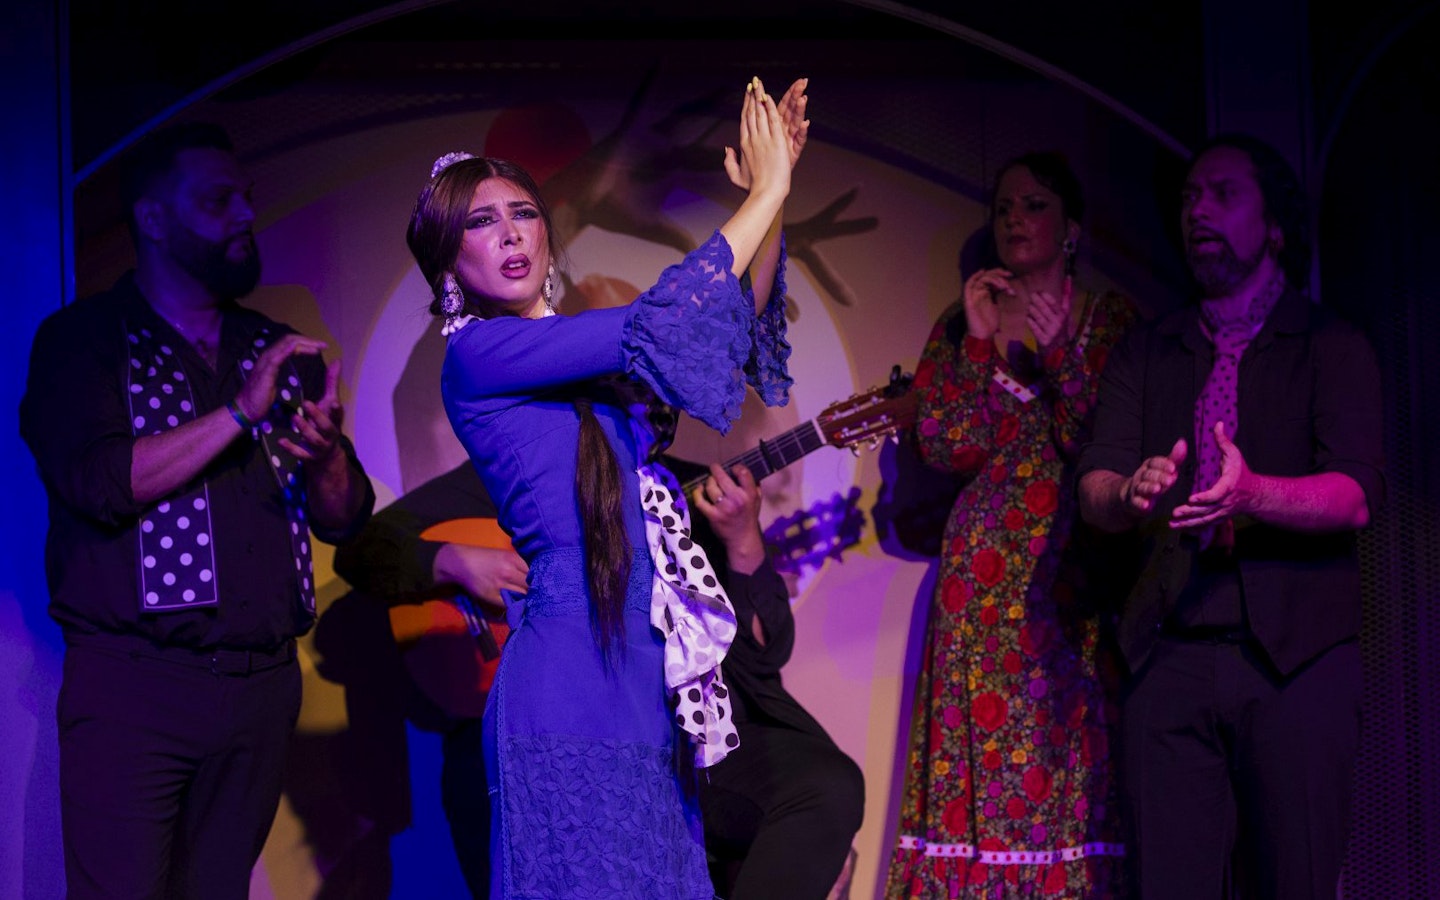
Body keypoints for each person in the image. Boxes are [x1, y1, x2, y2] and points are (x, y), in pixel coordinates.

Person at [403, 75, 808, 898]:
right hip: (563, 687)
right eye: (482, 222)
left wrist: (775, 203)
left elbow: (717, 329)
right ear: (451, 262)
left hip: (642, 683)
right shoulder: (479, 356)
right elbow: (663, 318)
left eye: (523, 213)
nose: (512, 234)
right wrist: (762, 192)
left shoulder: (589, 364)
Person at [18, 121, 375, 899]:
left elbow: (344, 520)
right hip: (135, 689)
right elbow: (99, 482)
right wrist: (240, 415)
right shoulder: (84, 341)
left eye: (244, 197)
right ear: (153, 219)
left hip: (258, 686)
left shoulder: (274, 346)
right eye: (218, 201)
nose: (245, 214)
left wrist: (328, 457)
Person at [333, 451, 865, 899]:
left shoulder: (683, 488)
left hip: (670, 741)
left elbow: (761, 661)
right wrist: (454, 562)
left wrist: (743, 540)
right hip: (542, 736)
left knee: (824, 788)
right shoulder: (525, 469)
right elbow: (364, 551)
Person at [1075, 134, 1384, 899]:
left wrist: (1253, 494)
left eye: (1222, 194)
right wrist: (1129, 492)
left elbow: (1352, 496)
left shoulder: (1330, 345)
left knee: (1296, 882)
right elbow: (1094, 485)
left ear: (1274, 225)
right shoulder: (1150, 350)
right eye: (1188, 199)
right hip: (1170, 653)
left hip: (1297, 660)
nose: (1197, 211)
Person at [885, 151, 1136, 898]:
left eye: (1033, 205)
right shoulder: (964, 318)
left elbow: (1098, 438)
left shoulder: (1109, 319)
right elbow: (947, 442)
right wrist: (977, 339)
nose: (1016, 220)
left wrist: (1058, 353)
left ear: (1071, 228)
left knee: (1064, 763)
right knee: (974, 767)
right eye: (1003, 209)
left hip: (1066, 578)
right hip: (976, 581)